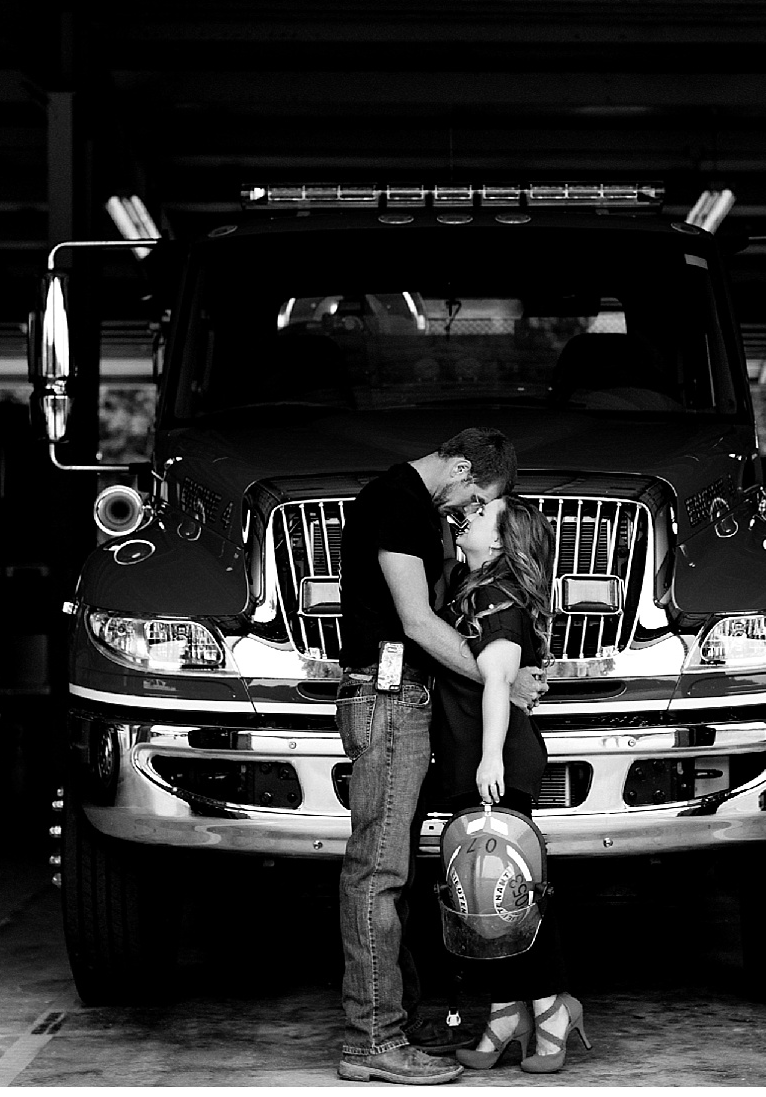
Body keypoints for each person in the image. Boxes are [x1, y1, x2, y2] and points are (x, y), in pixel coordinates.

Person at [335, 428, 546, 1085]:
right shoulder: (399, 504)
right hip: (388, 696)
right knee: (379, 871)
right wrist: (500, 679)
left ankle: (401, 1020)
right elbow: (419, 621)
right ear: (459, 466)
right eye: (476, 496)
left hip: (400, 699)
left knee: (400, 867)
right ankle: (372, 1039)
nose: (469, 512)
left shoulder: (409, 504)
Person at [434, 496, 592, 1075]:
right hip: (468, 756)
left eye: (476, 517)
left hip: (494, 759)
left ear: (500, 543)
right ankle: (506, 1011)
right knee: (482, 896)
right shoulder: (466, 585)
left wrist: (489, 758)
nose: (464, 520)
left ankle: (551, 1008)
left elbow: (498, 685)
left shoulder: (498, 603)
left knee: (513, 891)